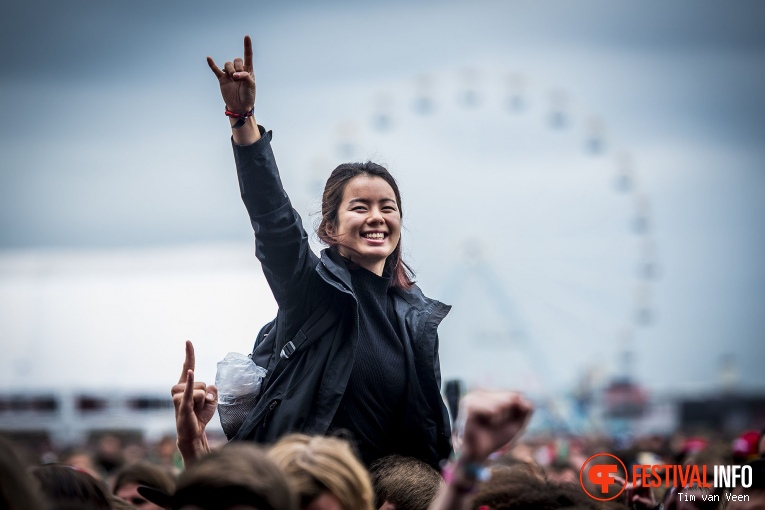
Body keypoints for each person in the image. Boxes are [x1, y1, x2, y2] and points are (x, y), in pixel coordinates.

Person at [174, 34, 452, 469]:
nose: (377, 217)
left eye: (388, 207)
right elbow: (274, 221)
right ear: (329, 229)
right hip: (304, 490)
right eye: (360, 207)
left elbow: (430, 433)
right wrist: (242, 120)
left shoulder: (415, 319)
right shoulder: (310, 291)